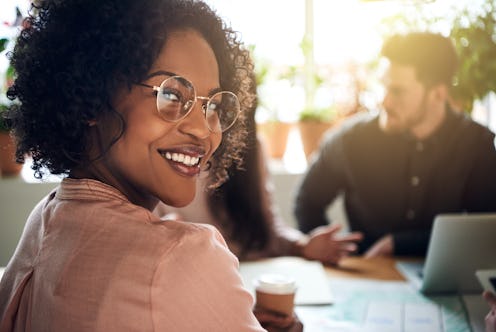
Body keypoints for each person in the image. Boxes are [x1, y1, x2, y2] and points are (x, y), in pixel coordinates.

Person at [0, 0, 301, 330]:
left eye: (212, 105)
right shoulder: (183, 257)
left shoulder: (45, 220)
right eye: (171, 95)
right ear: (93, 98)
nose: (203, 129)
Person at [294, 32, 496, 258]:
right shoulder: (350, 140)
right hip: (365, 276)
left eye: (398, 91)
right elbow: (307, 202)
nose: (385, 101)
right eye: (385, 87)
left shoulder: (477, 144)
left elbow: (488, 229)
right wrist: (328, 250)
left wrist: (399, 244)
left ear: (438, 93)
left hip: (441, 283)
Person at [154, 85, 363, 265]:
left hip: (252, 275)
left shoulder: (252, 147)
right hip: (202, 279)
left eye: (217, 104)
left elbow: (270, 230)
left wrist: (303, 246)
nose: (203, 125)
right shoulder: (164, 154)